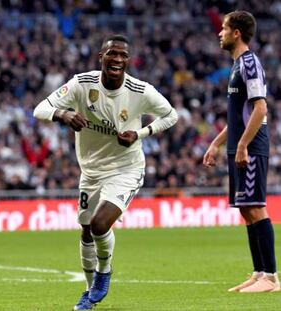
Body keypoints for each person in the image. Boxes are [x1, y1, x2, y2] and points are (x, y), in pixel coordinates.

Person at [33, 34, 178, 310]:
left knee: (100, 225)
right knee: (86, 231)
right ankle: (89, 293)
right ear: (102, 57)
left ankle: (105, 271)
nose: (118, 59)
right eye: (112, 54)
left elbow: (171, 115)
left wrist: (140, 133)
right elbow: (40, 109)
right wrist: (63, 115)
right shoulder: (81, 84)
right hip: (90, 171)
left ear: (128, 60)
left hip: (126, 168)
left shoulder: (140, 90)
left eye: (123, 55)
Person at [203, 11, 279, 293]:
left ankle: (271, 277)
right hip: (239, 146)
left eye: (223, 28)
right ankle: (259, 272)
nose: (219, 33)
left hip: (252, 147)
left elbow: (260, 109)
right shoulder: (237, 66)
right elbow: (239, 116)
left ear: (237, 33)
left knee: (256, 207)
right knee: (246, 210)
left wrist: (244, 144)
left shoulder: (250, 64)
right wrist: (217, 143)